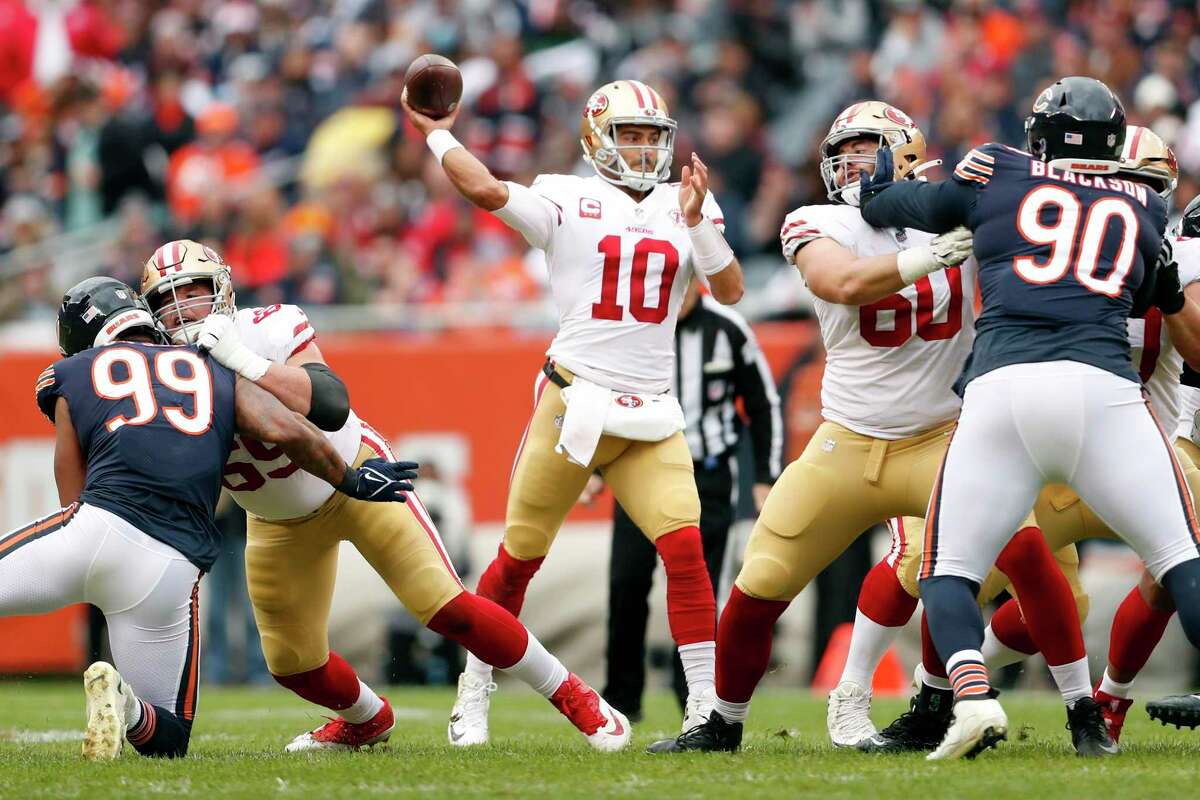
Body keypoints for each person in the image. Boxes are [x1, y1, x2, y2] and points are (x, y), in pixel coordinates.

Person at [648, 101, 1091, 756]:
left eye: (868, 152)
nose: (851, 167)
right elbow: (842, 281)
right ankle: (722, 722)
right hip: (847, 440)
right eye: (844, 154)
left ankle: (1081, 710)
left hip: (943, 436)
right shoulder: (819, 220)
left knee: (1024, 553)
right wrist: (939, 253)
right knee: (760, 582)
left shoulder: (959, 212)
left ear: (907, 155)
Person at [142, 240, 631, 753]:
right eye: (167, 300)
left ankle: (574, 695)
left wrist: (239, 360)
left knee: (448, 609)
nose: (182, 310)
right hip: (274, 518)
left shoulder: (268, 326)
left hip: (358, 476)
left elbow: (330, 403)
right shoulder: (161, 374)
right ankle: (366, 720)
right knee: (292, 664)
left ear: (222, 291)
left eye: (193, 292)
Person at [856, 76, 1200, 760]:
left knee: (947, 571)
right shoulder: (1144, 209)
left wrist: (877, 186)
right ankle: (1081, 702)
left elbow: (899, 203)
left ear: (1038, 136)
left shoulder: (996, 171)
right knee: (1181, 564)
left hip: (1004, 387)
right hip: (1105, 396)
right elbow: (1155, 296)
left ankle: (973, 696)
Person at [401, 78, 746, 744]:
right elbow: (485, 190)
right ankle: (474, 689)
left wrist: (700, 221)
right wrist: (436, 132)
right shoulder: (566, 194)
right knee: (520, 558)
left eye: (653, 137)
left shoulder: (686, 203)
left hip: (650, 409)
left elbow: (728, 290)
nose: (644, 149)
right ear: (597, 140)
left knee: (685, 550)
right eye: (630, 135)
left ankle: (706, 705)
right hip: (577, 401)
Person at [4, 276, 414, 760]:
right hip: (170, 567)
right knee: (169, 738)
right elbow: (285, 428)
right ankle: (128, 706)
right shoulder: (210, 367)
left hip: (98, 525)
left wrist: (83, 568)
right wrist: (349, 478)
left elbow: (71, 493)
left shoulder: (71, 373)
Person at [598, 277, 781, 720]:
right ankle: (621, 699)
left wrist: (765, 476)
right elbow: (601, 398)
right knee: (626, 583)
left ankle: (695, 698)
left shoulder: (729, 330)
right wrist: (594, 468)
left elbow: (763, 404)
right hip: (639, 472)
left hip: (708, 477)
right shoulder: (635, 327)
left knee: (702, 584)